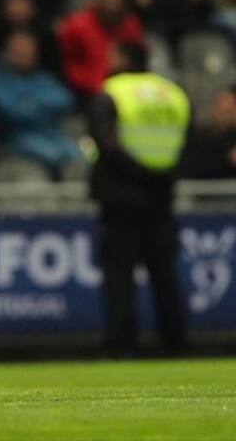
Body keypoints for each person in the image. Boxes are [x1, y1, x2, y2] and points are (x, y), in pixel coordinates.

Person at [88, 42, 190, 356]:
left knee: (120, 276)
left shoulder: (113, 91)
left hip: (121, 197)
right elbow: (187, 140)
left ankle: (121, 345)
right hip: (162, 195)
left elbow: (104, 142)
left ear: (123, 59)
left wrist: (137, 173)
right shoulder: (173, 94)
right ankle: (175, 344)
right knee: (165, 275)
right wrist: (161, 174)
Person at [0, 29, 80, 178]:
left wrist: (29, 102)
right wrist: (42, 106)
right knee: (52, 156)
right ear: (8, 53)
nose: (26, 55)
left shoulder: (43, 77)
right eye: (20, 51)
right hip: (16, 137)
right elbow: (13, 111)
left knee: (77, 156)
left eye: (29, 51)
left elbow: (65, 100)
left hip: (51, 133)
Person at [58, 0, 144, 103]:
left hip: (128, 91)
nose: (112, 7)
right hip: (86, 94)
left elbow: (139, 61)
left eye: (116, 1)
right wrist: (97, 85)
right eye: (108, 0)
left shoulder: (132, 25)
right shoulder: (77, 26)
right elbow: (68, 65)